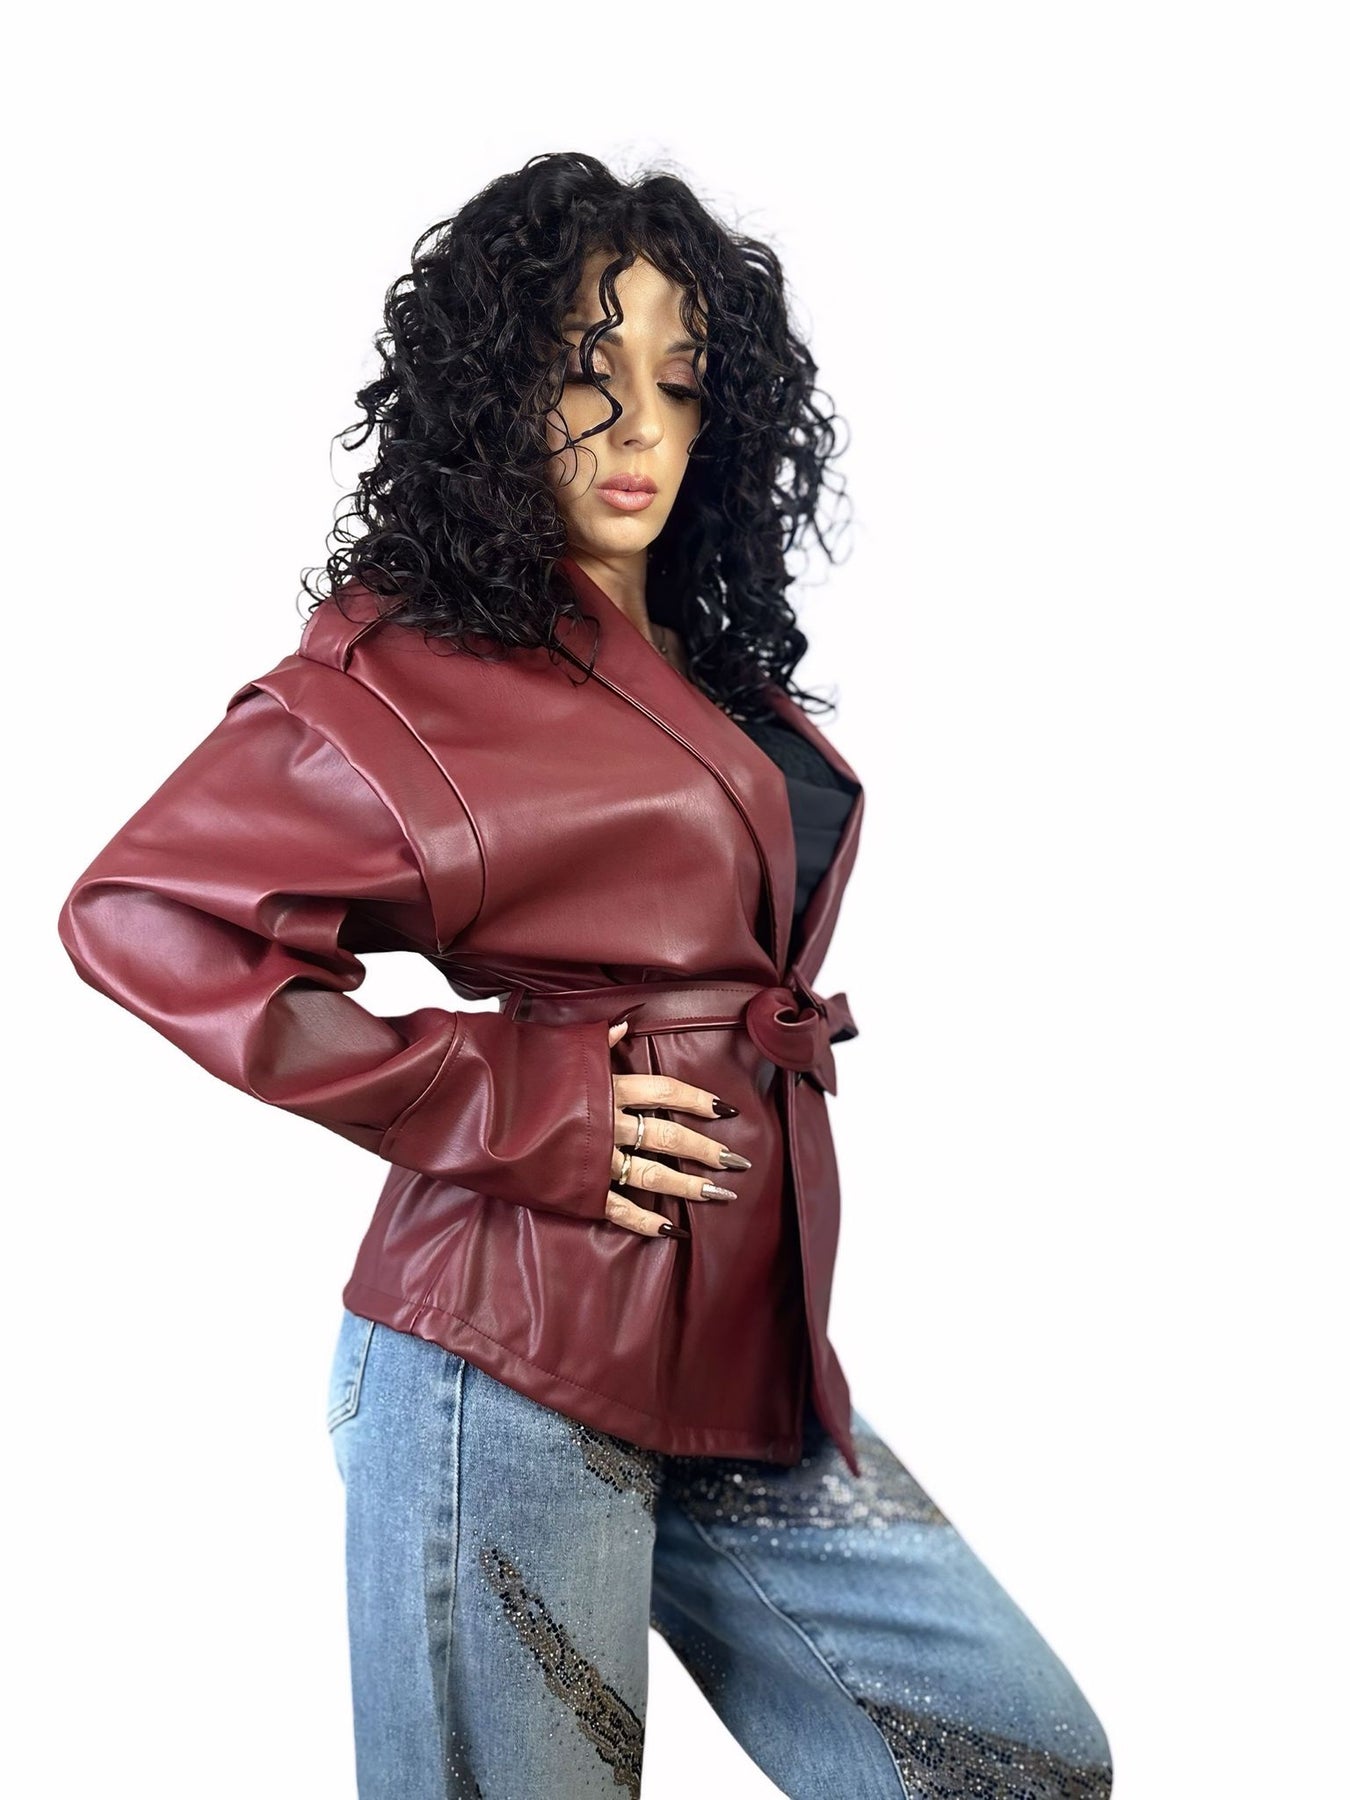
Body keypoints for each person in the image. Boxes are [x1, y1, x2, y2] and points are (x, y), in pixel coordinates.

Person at [56, 151, 1113, 1799]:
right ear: (489, 392)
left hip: (740, 1352)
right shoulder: (406, 673)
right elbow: (143, 912)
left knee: (1013, 1761)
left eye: (677, 383)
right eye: (581, 369)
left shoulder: (700, 666)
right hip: (509, 1358)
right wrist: (502, 1090)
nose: (636, 428)